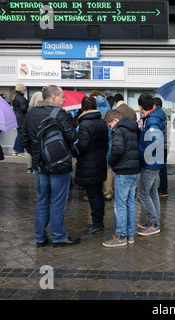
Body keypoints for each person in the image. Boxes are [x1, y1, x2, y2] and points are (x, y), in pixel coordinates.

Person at [20, 85, 80, 247]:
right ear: (53, 97)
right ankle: (59, 236)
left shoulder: (30, 113)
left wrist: (36, 154)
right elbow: (72, 136)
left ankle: (40, 237)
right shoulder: (60, 114)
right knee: (58, 201)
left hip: (39, 165)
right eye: (62, 96)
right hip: (59, 165)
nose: (64, 99)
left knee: (42, 200)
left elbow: (23, 138)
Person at [102, 109, 140, 247]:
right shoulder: (133, 128)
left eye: (110, 125)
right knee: (130, 203)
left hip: (123, 171)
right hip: (134, 170)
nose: (110, 128)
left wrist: (110, 162)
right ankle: (130, 235)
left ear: (115, 121)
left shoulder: (119, 130)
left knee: (120, 205)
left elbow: (117, 149)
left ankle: (121, 236)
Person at [74, 97, 109, 235]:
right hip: (100, 162)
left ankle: (97, 224)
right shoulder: (101, 122)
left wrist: (74, 150)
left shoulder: (84, 124)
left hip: (88, 165)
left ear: (83, 107)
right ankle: (99, 220)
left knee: (93, 195)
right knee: (99, 193)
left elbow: (82, 145)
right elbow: (106, 144)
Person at [137, 93, 166, 236]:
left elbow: (152, 144)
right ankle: (153, 220)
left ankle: (155, 223)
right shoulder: (153, 118)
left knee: (142, 193)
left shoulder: (152, 121)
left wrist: (140, 152)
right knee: (152, 192)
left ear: (141, 107)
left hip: (151, 162)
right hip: (156, 161)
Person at [155, 97, 171, 198]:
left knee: (161, 169)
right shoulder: (166, 114)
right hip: (165, 144)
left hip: (161, 144)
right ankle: (163, 189)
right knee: (162, 168)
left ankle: (163, 189)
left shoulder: (160, 116)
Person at [12, 83, 29, 156]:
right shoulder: (21, 98)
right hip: (21, 118)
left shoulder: (15, 97)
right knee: (21, 135)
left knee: (18, 134)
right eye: (24, 89)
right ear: (21, 90)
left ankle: (15, 150)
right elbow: (23, 109)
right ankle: (20, 152)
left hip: (17, 118)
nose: (24, 90)